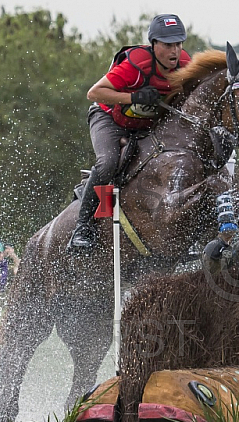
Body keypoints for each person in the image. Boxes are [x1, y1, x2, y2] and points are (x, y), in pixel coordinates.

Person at [69, 14, 191, 250]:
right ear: (153, 45)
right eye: (167, 45)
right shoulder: (136, 65)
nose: (174, 51)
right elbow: (94, 93)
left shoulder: (186, 66)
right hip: (108, 118)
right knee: (108, 163)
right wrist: (133, 96)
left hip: (145, 125)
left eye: (178, 44)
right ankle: (82, 227)